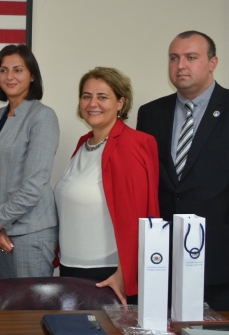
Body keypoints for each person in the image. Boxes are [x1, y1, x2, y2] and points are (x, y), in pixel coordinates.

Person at [137, 31, 229, 311]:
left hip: (219, 265)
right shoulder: (151, 113)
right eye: (174, 58)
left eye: (191, 57)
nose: (180, 66)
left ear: (212, 63)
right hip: (162, 262)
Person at [55, 67, 159, 304]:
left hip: (107, 274)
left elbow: (138, 216)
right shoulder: (84, 144)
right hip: (71, 268)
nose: (93, 103)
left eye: (102, 97)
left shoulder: (132, 144)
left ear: (121, 102)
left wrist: (124, 273)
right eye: (86, 96)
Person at [0, 44, 59, 278]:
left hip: (32, 231)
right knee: (9, 309)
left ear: (32, 75)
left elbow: (34, 186)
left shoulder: (43, 116)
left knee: (32, 310)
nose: (10, 76)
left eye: (18, 70)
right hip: (2, 229)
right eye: (3, 70)